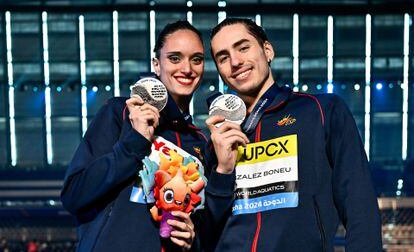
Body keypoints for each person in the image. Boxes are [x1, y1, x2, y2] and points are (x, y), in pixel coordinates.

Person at [204, 18, 383, 251]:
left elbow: (359, 203)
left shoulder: (321, 111)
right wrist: (222, 173)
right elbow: (208, 231)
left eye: (243, 48)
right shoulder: (219, 139)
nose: (235, 62)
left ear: (267, 51)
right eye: (223, 57)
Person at [61, 20, 208, 251]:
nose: (187, 68)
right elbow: (74, 195)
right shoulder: (120, 112)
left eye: (196, 59)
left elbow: (199, 225)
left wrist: (193, 238)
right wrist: (134, 143)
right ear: (156, 65)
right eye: (175, 58)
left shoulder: (199, 142)